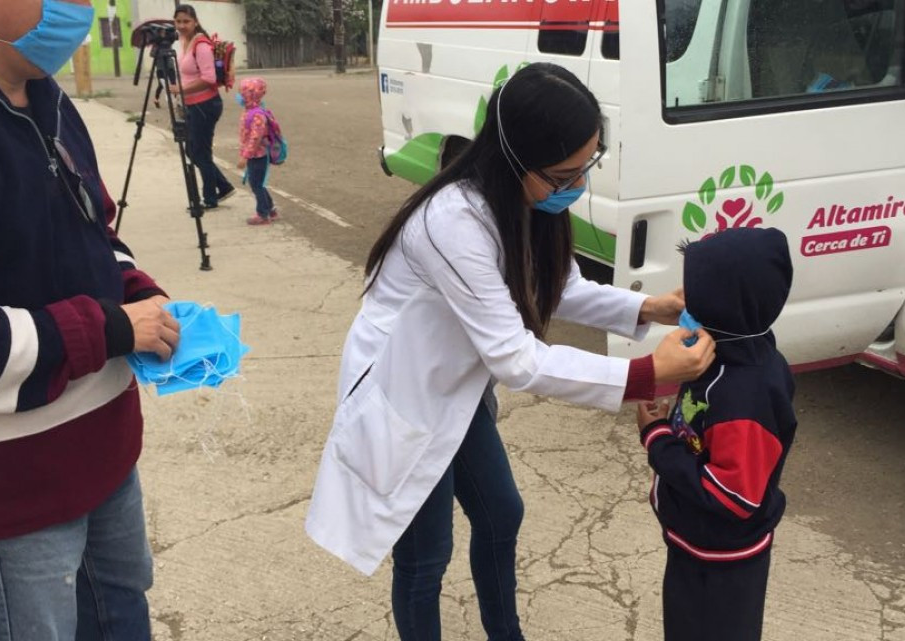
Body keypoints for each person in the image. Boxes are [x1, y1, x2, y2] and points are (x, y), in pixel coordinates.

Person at [306, 63, 716, 641]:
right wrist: (646, 374)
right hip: (403, 391)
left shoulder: (526, 202)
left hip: (455, 385)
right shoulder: (451, 222)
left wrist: (647, 308)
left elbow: (560, 287)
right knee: (426, 555)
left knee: (502, 513)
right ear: (514, 157)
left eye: (586, 168)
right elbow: (517, 360)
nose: (574, 186)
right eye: (564, 175)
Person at [0, 0, 181, 638]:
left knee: (123, 615)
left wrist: (139, 292)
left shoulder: (43, 93)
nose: (79, 7)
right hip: (8, 486)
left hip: (103, 450)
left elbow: (93, 230)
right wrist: (110, 327)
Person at [636, 227, 797, 641]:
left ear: (725, 305)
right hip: (695, 541)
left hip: (720, 561)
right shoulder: (726, 351)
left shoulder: (746, 396)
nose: (685, 302)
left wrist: (657, 439)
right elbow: (704, 424)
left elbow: (733, 496)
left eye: (695, 294)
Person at [172, 3, 235, 210]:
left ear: (195, 22)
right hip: (192, 105)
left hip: (205, 105)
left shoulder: (201, 45)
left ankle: (210, 199)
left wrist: (179, 89)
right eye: (178, 21)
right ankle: (223, 186)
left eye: (186, 21)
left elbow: (208, 78)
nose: (182, 25)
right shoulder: (183, 41)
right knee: (192, 150)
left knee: (201, 153)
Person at [235, 76, 281, 225]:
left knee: (256, 185)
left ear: (249, 95)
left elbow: (256, 138)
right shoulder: (252, 111)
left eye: (241, 94)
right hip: (255, 155)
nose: (239, 97)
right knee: (258, 183)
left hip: (258, 156)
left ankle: (263, 214)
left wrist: (245, 156)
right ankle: (270, 209)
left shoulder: (257, 115)